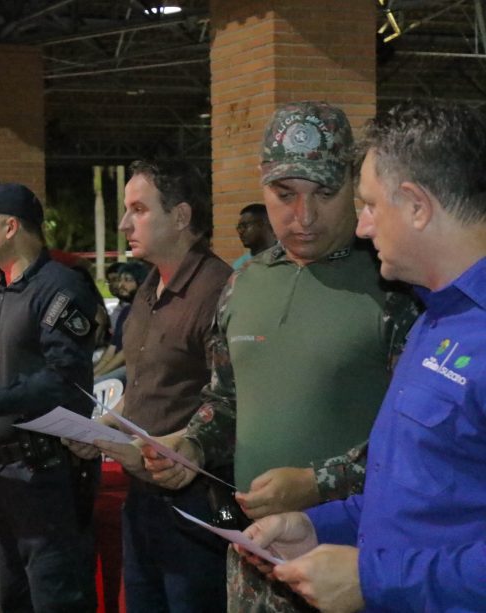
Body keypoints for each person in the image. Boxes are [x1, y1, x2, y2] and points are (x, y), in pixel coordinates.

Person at [141, 102, 418, 612]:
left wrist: (318, 484)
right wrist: (192, 444)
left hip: (353, 566)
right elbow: (226, 398)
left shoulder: (396, 287)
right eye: (285, 195)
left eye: (325, 194)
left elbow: (416, 446)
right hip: (253, 561)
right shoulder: (243, 284)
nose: (304, 216)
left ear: (354, 186)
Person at [242, 101, 486, 612]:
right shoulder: (433, 319)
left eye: (370, 205)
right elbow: (415, 499)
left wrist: (373, 580)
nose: (362, 227)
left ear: (417, 206)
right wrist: (317, 526)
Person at [65, 160, 233, 612]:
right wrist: (101, 429)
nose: (124, 224)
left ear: (180, 217)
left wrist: (178, 446)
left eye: (138, 210)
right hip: (143, 494)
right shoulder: (148, 288)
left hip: (198, 498)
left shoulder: (219, 290)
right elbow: (147, 387)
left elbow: (233, 399)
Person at [0, 183, 101, 612]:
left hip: (47, 471)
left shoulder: (60, 287)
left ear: (10, 227)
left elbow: (65, 381)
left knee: (55, 594)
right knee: (15, 594)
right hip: (3, 470)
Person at [93, 260, 149, 383]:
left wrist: (99, 377)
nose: (120, 285)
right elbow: (111, 350)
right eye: (120, 280)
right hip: (118, 365)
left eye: (127, 280)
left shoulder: (145, 312)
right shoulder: (125, 311)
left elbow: (125, 353)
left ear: (141, 283)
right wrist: (94, 373)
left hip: (132, 368)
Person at [232, 203, 275, 270]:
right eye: (239, 227)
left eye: (245, 226)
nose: (240, 231)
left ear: (263, 224)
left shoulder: (288, 258)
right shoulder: (239, 265)